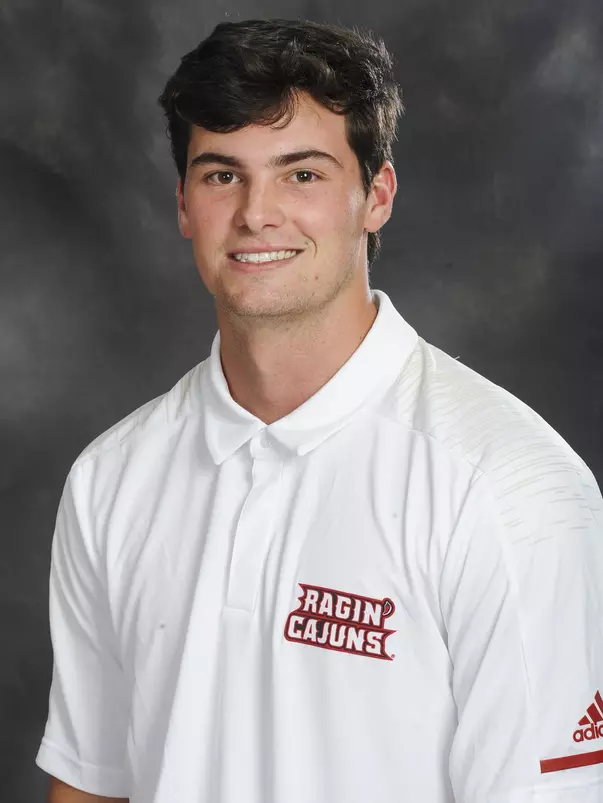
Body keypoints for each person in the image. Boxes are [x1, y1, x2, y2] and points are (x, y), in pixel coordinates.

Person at [36, 17, 603, 803]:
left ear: (375, 196)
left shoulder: (510, 490)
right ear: (182, 203)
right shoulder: (109, 480)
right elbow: (91, 783)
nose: (257, 213)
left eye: (301, 174)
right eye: (221, 174)